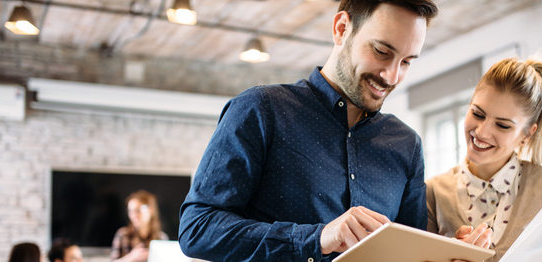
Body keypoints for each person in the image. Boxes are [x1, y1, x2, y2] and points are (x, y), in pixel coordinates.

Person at [178, 0, 438, 261]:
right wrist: (317, 238)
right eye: (382, 51)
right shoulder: (261, 109)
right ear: (341, 28)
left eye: (406, 62)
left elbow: (409, 252)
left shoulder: (407, 144)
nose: (391, 76)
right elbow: (197, 228)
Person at [426, 58, 542, 261]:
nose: (482, 132)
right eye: (477, 114)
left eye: (502, 126)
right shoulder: (433, 192)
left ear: (527, 135)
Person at [111, 190, 168, 262]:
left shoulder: (161, 238)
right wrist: (131, 258)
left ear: (150, 210)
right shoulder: (123, 234)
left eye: (138, 210)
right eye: (130, 211)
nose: (133, 215)